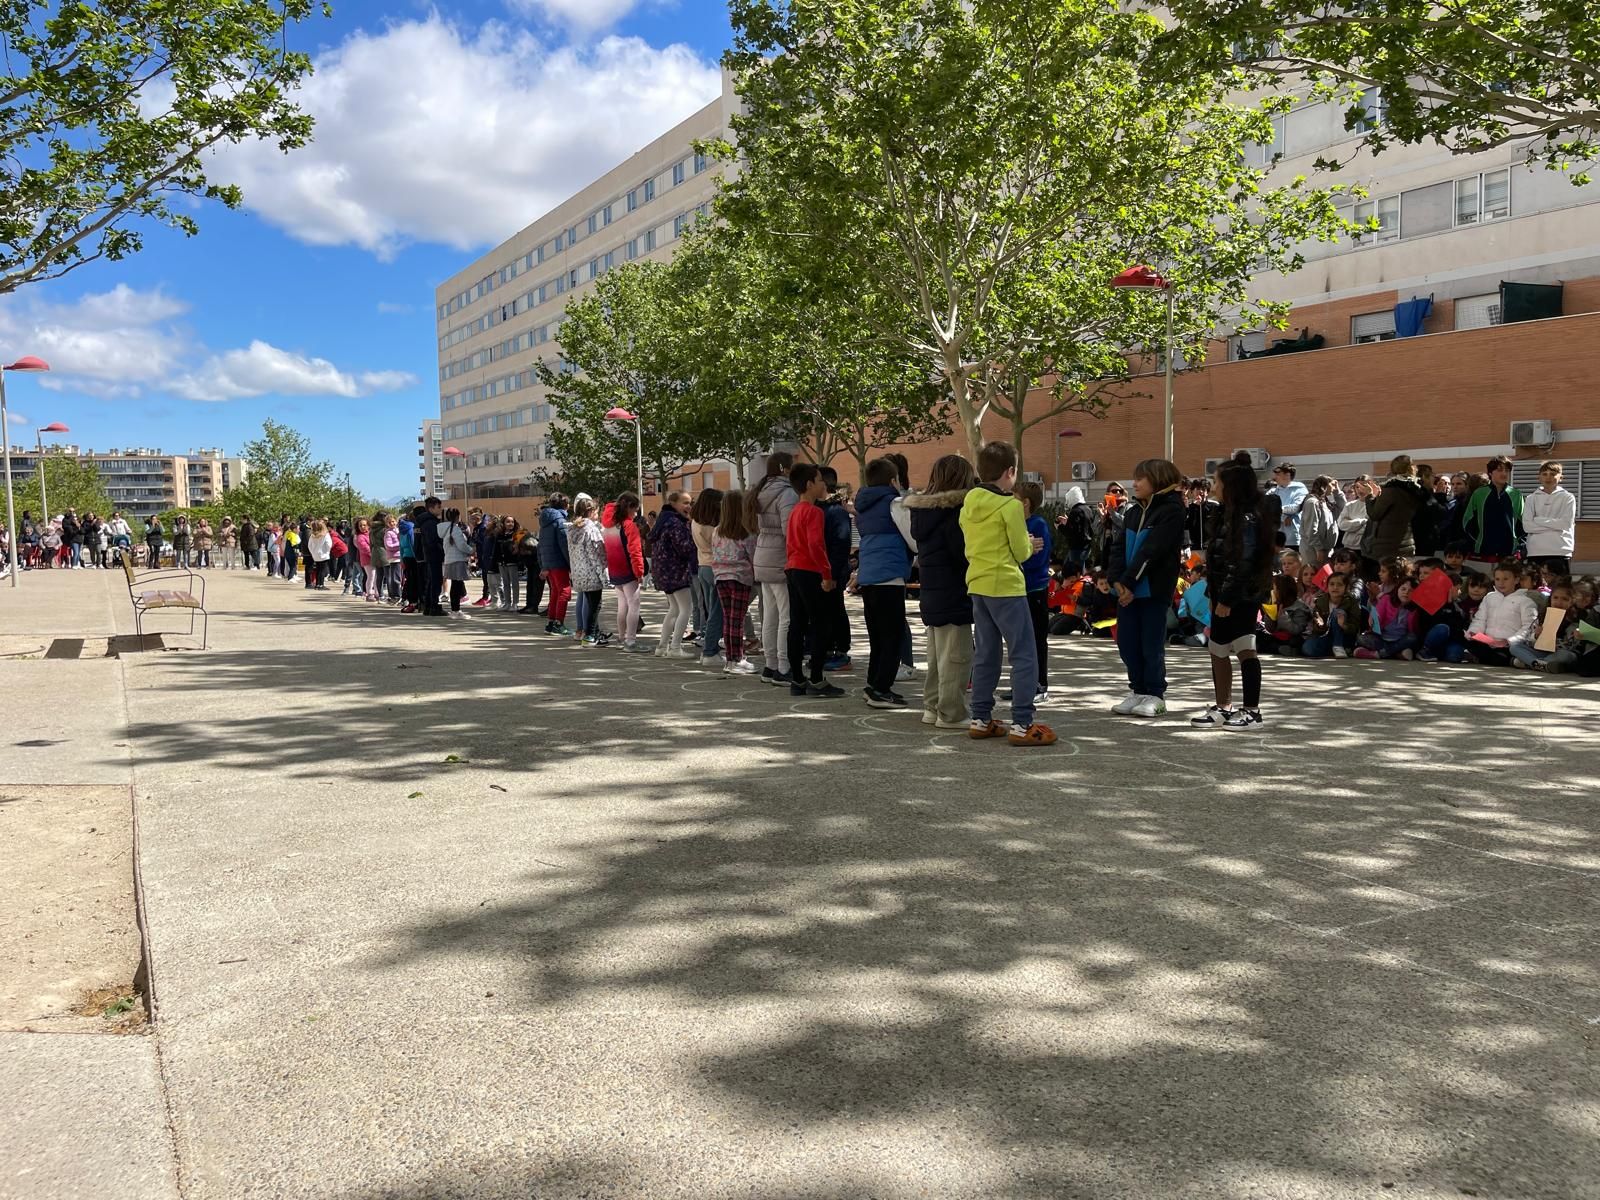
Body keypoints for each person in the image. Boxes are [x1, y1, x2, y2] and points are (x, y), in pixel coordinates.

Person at [961, 441, 1055, 747]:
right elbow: (1019, 550)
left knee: (986, 653)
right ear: (1010, 472)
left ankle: (980, 718)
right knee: (1024, 654)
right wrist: (1030, 544)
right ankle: (1023, 722)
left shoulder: (969, 502)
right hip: (1007, 586)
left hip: (978, 583)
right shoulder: (1011, 505)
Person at [1191, 457, 1278, 729]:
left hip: (1242, 594)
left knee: (1244, 647)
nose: (1213, 485)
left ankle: (1252, 711)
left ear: (1232, 486)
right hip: (1220, 591)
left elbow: (1243, 562)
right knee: (1217, 647)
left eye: (1217, 481)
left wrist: (1227, 598)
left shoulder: (1247, 518)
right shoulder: (1223, 513)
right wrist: (1215, 593)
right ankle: (1223, 706)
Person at [1108, 459, 1187, 719]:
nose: (1135, 483)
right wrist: (1117, 581)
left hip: (1153, 590)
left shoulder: (1172, 511)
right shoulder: (1132, 511)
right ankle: (1138, 690)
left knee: (1151, 644)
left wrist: (1128, 583)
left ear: (1158, 479)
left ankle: (1155, 694)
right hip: (1127, 591)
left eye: (1140, 478)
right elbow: (1118, 548)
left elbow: (1152, 551)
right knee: (1127, 643)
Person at [906, 455, 977, 730]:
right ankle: (951, 712)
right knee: (957, 657)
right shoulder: (955, 512)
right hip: (954, 590)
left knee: (937, 656)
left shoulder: (924, 511)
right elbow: (962, 554)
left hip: (933, 591)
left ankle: (932, 705)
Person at [854, 457, 917, 708]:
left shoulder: (864, 505)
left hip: (868, 574)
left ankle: (874, 683)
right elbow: (912, 538)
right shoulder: (895, 503)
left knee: (877, 637)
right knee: (893, 636)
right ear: (894, 480)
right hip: (890, 575)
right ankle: (882, 689)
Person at [783, 463, 845, 698]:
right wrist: (827, 575)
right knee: (821, 624)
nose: (823, 484)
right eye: (820, 480)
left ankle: (797, 679)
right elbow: (816, 545)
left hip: (793, 569)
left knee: (797, 624)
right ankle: (817, 678)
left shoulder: (795, 511)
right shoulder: (814, 512)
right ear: (809, 484)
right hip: (810, 570)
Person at [750, 452, 797, 685]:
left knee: (770, 615)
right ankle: (783, 666)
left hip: (763, 553)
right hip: (780, 556)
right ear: (785, 469)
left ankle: (770, 665)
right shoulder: (787, 493)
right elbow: (790, 530)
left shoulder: (761, 490)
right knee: (785, 617)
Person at [711, 489, 760, 675]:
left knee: (728, 618)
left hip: (720, 576)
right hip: (740, 577)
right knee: (737, 620)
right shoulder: (747, 531)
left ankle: (731, 658)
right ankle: (736, 658)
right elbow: (753, 555)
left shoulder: (717, 531)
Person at [650, 490, 699, 659]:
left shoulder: (663, 520)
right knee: (686, 608)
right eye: (685, 502)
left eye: (690, 503)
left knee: (674, 608)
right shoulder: (676, 523)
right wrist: (694, 538)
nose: (688, 506)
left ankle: (662, 646)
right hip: (675, 570)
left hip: (662, 570)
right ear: (673, 503)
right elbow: (684, 547)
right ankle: (675, 647)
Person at [1361, 455, 1424, 579]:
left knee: (1384, 580)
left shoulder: (1391, 490)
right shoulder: (1417, 489)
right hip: (1407, 542)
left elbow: (1375, 514)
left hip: (1385, 546)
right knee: (1402, 579)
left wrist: (1371, 496)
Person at [1463, 561, 1539, 666]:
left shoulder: (1525, 602)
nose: (1501, 583)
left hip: (1507, 645)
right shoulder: (1489, 597)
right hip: (1486, 642)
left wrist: (1509, 641)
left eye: (1506, 579)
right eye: (1497, 579)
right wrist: (1474, 632)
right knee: (1467, 641)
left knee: (1500, 658)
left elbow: (1528, 628)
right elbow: (1480, 619)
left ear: (1516, 579)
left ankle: (1507, 659)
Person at [817, 468, 854, 671]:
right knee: (825, 611)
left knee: (835, 608)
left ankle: (841, 651)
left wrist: (831, 573)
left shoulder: (835, 511)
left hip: (833, 570)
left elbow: (841, 544)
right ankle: (828, 648)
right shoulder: (818, 508)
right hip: (821, 569)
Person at [603, 493, 648, 652]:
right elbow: (635, 552)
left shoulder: (609, 525)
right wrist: (639, 572)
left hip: (615, 570)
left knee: (622, 605)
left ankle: (622, 637)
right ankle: (630, 640)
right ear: (629, 507)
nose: (636, 514)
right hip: (628, 570)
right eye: (635, 510)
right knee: (634, 605)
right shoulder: (629, 526)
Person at [1461, 456, 1524, 568]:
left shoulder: (1516, 494)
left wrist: (1516, 542)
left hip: (1509, 553)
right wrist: (1479, 541)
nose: (1504, 473)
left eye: (1507, 470)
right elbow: (1468, 521)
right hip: (1483, 552)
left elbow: (1523, 521)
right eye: (1499, 470)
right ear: (1490, 472)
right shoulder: (1479, 494)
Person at [1523, 460, 1575, 578]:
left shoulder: (1568, 497)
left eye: (1552, 474)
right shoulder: (1531, 498)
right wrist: (1554, 524)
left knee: (1560, 588)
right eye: (1544, 474)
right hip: (1536, 550)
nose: (1548, 477)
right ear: (1539, 477)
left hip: (1560, 549)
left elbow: (1566, 524)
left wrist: (1539, 520)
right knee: (1537, 589)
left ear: (1561, 477)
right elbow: (1527, 526)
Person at [690, 490, 725, 665]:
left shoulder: (696, 522)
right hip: (714, 567)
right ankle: (710, 651)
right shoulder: (711, 527)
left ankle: (710, 649)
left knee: (711, 610)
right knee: (716, 613)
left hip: (703, 566)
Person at [1510, 580, 1578, 670]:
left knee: (1567, 655)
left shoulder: (1573, 621)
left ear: (1571, 602)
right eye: (1555, 598)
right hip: (1540, 651)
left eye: (1564, 599)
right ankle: (1541, 664)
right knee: (1515, 646)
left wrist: (1553, 642)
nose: (1559, 602)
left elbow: (1570, 646)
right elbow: (1529, 640)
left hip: (1557, 653)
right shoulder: (1542, 616)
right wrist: (1536, 636)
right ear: (1550, 599)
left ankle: (1530, 663)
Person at [566, 501, 607, 645]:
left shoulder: (572, 529)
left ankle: (594, 633)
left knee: (589, 603)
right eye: (596, 511)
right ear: (590, 511)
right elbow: (596, 553)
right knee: (595, 604)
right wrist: (604, 573)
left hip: (578, 572)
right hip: (591, 572)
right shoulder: (591, 528)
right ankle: (589, 635)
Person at [1356, 578, 1421, 659]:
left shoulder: (1414, 610)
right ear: (1397, 589)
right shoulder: (1387, 599)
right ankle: (1395, 653)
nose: (1406, 592)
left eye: (1411, 591)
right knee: (1361, 639)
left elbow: (1414, 630)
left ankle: (1379, 653)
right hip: (1382, 638)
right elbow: (1378, 613)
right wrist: (1373, 618)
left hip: (1400, 640)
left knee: (1413, 638)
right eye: (1403, 589)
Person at [537, 494, 574, 635]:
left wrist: (543, 564)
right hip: (559, 562)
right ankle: (559, 623)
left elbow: (540, 545)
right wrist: (571, 564)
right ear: (565, 505)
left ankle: (551, 622)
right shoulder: (560, 521)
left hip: (549, 562)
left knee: (555, 592)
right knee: (565, 592)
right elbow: (565, 545)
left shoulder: (545, 521)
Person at [438, 506, 473, 618]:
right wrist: (471, 550)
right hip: (457, 559)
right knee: (457, 586)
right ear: (457, 516)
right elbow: (461, 545)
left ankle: (455, 610)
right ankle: (456, 610)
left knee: (455, 585)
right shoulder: (455, 529)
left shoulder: (446, 529)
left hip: (449, 559)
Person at [1298, 476, 1338, 569]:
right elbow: (1311, 529)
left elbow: (1340, 508)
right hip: (1313, 551)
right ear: (1325, 485)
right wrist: (1318, 549)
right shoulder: (1312, 502)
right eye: (1332, 484)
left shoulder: (1324, 502)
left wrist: (1338, 493)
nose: (1334, 487)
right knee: (1312, 577)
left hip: (1325, 549)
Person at [1268, 463, 1307, 552]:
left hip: (1292, 537)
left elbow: (1296, 508)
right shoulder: (1273, 491)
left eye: (1278, 474)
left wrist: (1276, 510)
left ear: (1287, 475)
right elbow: (1265, 509)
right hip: (1275, 537)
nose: (1275, 477)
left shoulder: (1299, 489)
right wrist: (1284, 516)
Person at [416, 498, 445, 616]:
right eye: (438, 507)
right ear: (431, 508)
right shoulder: (430, 523)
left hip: (428, 554)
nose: (440, 509)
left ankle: (428, 605)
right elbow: (432, 540)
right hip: (433, 554)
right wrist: (441, 547)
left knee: (431, 580)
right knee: (435, 580)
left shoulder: (424, 521)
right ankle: (434, 605)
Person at [305, 519, 332, 589]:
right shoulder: (325, 535)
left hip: (316, 555)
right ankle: (321, 584)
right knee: (323, 570)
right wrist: (327, 551)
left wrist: (313, 552)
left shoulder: (312, 535)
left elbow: (309, 545)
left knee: (318, 569)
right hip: (324, 554)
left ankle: (317, 584)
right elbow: (329, 544)